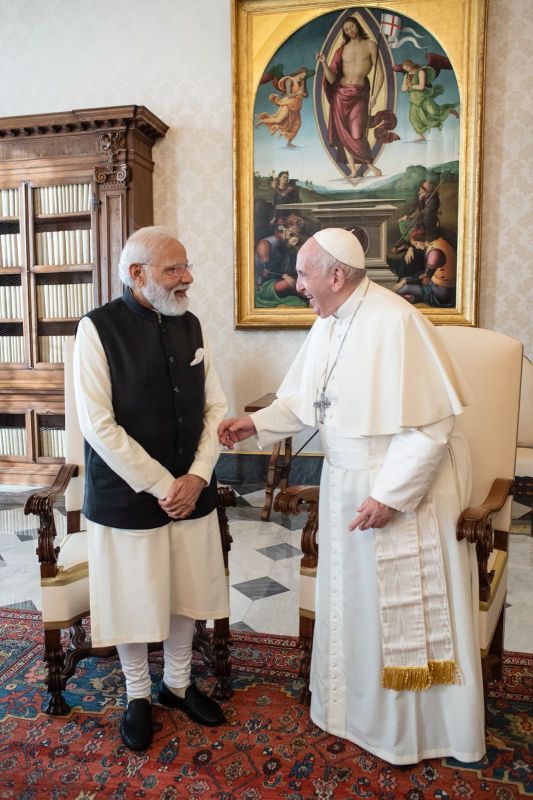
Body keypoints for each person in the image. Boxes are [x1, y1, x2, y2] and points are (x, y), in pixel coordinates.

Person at [218, 228, 485, 765]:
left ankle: (411, 732)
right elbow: (305, 398)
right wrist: (256, 423)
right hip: (346, 482)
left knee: (392, 611)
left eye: (306, 275)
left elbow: (431, 427)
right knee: (351, 607)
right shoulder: (331, 321)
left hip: (401, 492)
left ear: (336, 275)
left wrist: (390, 496)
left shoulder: (395, 321)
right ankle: (351, 713)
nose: (297, 286)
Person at [73, 226, 229, 752]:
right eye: (173, 269)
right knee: (136, 597)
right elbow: (98, 425)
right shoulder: (96, 329)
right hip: (127, 497)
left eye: (186, 267)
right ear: (137, 274)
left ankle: (178, 684)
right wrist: (165, 485)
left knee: (187, 590)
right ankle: (138, 693)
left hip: (193, 490)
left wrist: (198, 476)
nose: (187, 278)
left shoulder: (191, 324)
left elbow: (216, 408)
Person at [318, 17, 398, 178]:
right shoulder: (342, 49)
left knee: (356, 133)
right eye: (346, 29)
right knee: (344, 133)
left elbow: (380, 73)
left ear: (357, 26)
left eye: (352, 27)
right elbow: (332, 79)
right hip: (340, 94)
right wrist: (324, 63)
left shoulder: (370, 46)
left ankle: (370, 165)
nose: (350, 31)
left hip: (360, 94)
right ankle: (354, 170)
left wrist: (375, 95)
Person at [395, 226, 456, 307]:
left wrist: (404, 282)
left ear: (422, 239)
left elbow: (425, 280)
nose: (416, 247)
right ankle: (414, 298)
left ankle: (414, 298)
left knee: (402, 289)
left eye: (416, 243)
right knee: (404, 281)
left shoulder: (435, 252)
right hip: (435, 284)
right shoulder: (437, 242)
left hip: (441, 292)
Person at [400, 59, 459, 141]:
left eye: (407, 66)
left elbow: (421, 87)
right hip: (414, 99)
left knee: (434, 111)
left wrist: (411, 85)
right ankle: (421, 136)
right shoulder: (406, 75)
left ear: (411, 64)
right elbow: (403, 89)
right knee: (413, 118)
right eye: (405, 68)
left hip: (423, 97)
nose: (407, 69)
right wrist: (406, 86)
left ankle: (450, 111)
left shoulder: (420, 72)